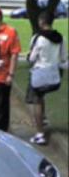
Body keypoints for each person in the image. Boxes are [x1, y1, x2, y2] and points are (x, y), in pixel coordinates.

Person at [26, 10, 67, 145]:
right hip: (54, 75)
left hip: (40, 74)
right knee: (42, 97)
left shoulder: (38, 38)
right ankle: (42, 120)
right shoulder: (61, 38)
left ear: (41, 22)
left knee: (36, 100)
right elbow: (63, 59)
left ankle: (40, 133)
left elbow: (32, 58)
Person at [0, 7, 21, 131]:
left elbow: (15, 53)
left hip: (3, 76)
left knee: (2, 105)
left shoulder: (10, 32)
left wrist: (11, 74)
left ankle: (1, 131)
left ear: (0, 19)